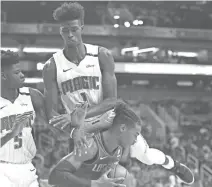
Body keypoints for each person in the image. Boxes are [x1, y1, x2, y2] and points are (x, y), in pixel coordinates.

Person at [43, 2, 194, 185]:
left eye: (74, 29)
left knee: (144, 155)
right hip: (84, 130)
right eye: (65, 30)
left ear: (82, 27)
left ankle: (173, 165)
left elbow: (112, 101)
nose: (70, 34)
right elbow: (51, 114)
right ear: (60, 31)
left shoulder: (101, 55)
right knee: (80, 176)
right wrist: (74, 128)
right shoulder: (52, 66)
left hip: (110, 120)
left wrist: (81, 119)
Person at [48, 102, 141, 187]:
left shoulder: (118, 152)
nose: (135, 140)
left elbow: (103, 181)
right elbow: (55, 176)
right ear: (123, 128)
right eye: (135, 135)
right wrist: (94, 184)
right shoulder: (91, 147)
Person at [0, 50, 48, 187]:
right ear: (3, 75)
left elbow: (50, 131)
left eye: (21, 71)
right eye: (16, 73)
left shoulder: (32, 96)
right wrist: (11, 134)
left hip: (27, 167)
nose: (22, 76)